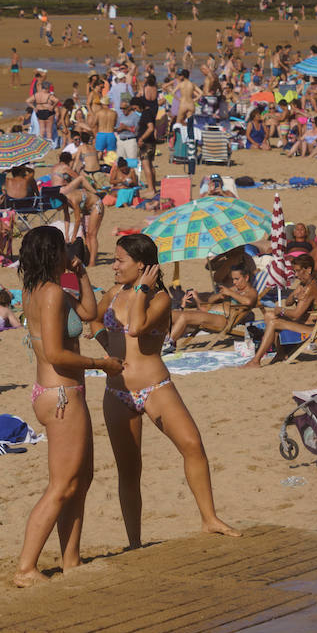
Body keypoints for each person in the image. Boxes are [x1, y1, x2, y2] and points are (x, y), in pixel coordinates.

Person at [98, 234, 239, 546]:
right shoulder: (113, 292)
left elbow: (136, 326)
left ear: (142, 266)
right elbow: (94, 318)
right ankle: (134, 541)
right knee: (129, 469)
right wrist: (106, 345)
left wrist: (143, 288)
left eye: (121, 260)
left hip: (154, 385)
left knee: (192, 444)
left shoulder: (159, 299)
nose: (114, 266)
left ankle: (209, 518)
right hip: (117, 390)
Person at [15, 226, 122, 586]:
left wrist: (81, 273)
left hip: (58, 393)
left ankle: (71, 560)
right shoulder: (49, 295)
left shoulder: (44, 289)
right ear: (52, 254)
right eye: (63, 249)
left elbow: (89, 311)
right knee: (61, 485)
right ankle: (26, 569)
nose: (69, 252)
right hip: (61, 394)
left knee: (82, 479)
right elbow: (56, 353)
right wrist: (101, 364)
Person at [241, 254, 317, 368]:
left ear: (308, 269)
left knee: (274, 322)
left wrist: (281, 311)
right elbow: (288, 303)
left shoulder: (311, 288)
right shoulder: (303, 285)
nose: (295, 275)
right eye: (294, 271)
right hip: (302, 323)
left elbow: (296, 315)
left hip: (313, 327)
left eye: (297, 271)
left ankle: (256, 360)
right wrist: (294, 295)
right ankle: (281, 353)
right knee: (269, 315)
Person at [165, 264, 259, 350]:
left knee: (185, 316)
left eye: (237, 279)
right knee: (171, 315)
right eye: (233, 279)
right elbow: (210, 300)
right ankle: (167, 342)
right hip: (209, 313)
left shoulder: (251, 292)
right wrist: (219, 296)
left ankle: (168, 344)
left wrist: (230, 293)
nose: (234, 282)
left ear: (246, 277)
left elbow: (249, 302)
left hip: (223, 320)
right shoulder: (234, 289)